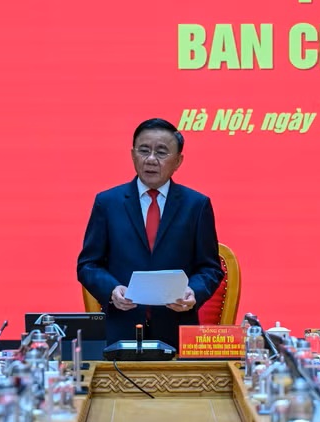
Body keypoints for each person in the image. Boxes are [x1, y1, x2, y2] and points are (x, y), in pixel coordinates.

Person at [77, 118, 224, 349]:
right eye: (144, 150)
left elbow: (210, 269)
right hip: (120, 332)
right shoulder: (107, 203)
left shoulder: (196, 205)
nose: (151, 159)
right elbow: (88, 265)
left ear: (178, 161)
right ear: (132, 154)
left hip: (177, 331)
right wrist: (112, 290)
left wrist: (192, 292)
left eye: (161, 152)